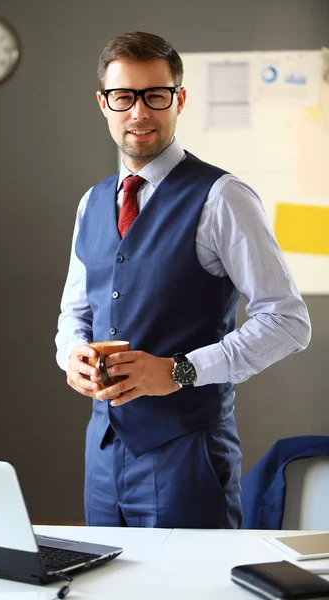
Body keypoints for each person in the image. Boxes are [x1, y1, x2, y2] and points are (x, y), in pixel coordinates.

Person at [55, 31, 311, 529]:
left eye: (156, 95)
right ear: (104, 104)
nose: (139, 113)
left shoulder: (223, 197)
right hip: (104, 452)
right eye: (124, 97)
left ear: (179, 99)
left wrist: (179, 371)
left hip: (187, 451)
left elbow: (287, 321)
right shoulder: (91, 203)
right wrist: (72, 355)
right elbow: (75, 313)